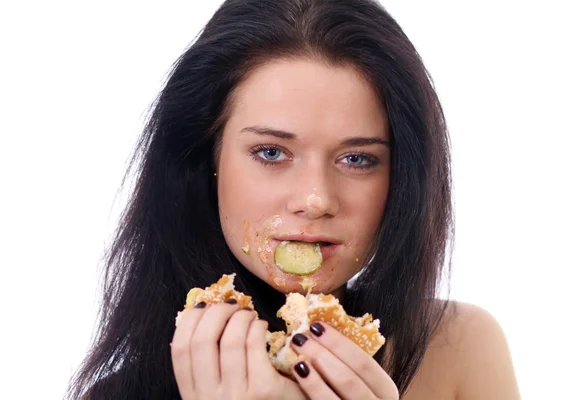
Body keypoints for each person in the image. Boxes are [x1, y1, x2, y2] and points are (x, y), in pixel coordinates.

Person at [67, 0, 520, 399]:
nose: (316, 199)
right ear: (208, 158)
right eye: (271, 152)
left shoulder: (461, 350)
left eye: (358, 158)